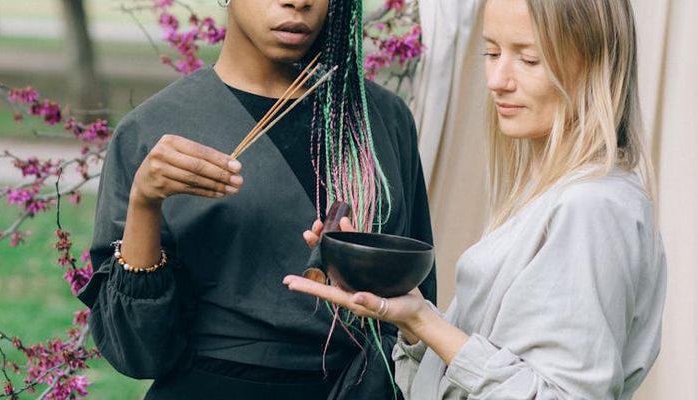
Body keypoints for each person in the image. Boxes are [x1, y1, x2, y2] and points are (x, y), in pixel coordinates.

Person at [284, 0, 667, 398]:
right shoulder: (552, 194)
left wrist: (428, 324)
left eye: (529, 59)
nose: (497, 80)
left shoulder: (589, 207)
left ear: (595, 63)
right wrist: (409, 314)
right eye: (491, 53)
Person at [77, 0, 436, 399]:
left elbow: (419, 298)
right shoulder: (155, 131)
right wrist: (145, 202)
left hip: (363, 387)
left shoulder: (381, 120)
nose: (298, 2)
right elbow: (139, 353)